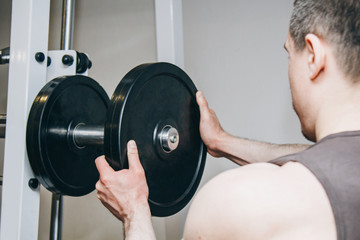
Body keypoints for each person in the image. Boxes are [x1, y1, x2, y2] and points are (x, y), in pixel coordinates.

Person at [95, 0, 360, 239]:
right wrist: (221, 141)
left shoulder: (236, 202)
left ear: (313, 56)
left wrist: (134, 210)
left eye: (290, 54)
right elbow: (317, 158)